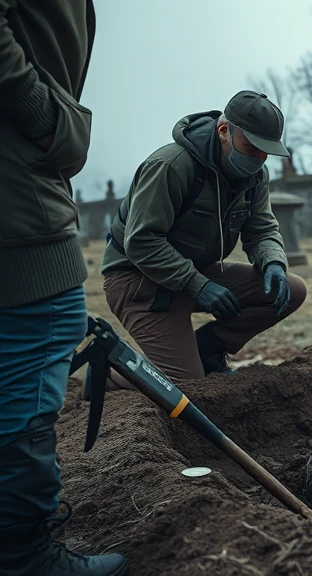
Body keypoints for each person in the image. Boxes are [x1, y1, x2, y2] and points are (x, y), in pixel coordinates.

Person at [0, 1, 130, 574]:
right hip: (19, 204)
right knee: (44, 330)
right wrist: (49, 119)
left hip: (22, 189)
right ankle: (25, 557)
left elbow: (262, 227)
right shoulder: (175, 167)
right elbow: (144, 247)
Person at [100, 90, 306, 383]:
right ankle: (105, 377)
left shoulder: (255, 177)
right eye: (251, 147)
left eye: (266, 152)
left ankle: (206, 349)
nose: (259, 159)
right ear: (224, 131)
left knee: (292, 290)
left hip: (196, 273)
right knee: (185, 384)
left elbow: (261, 228)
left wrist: (273, 261)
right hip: (138, 281)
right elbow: (142, 241)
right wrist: (198, 286)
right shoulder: (171, 166)